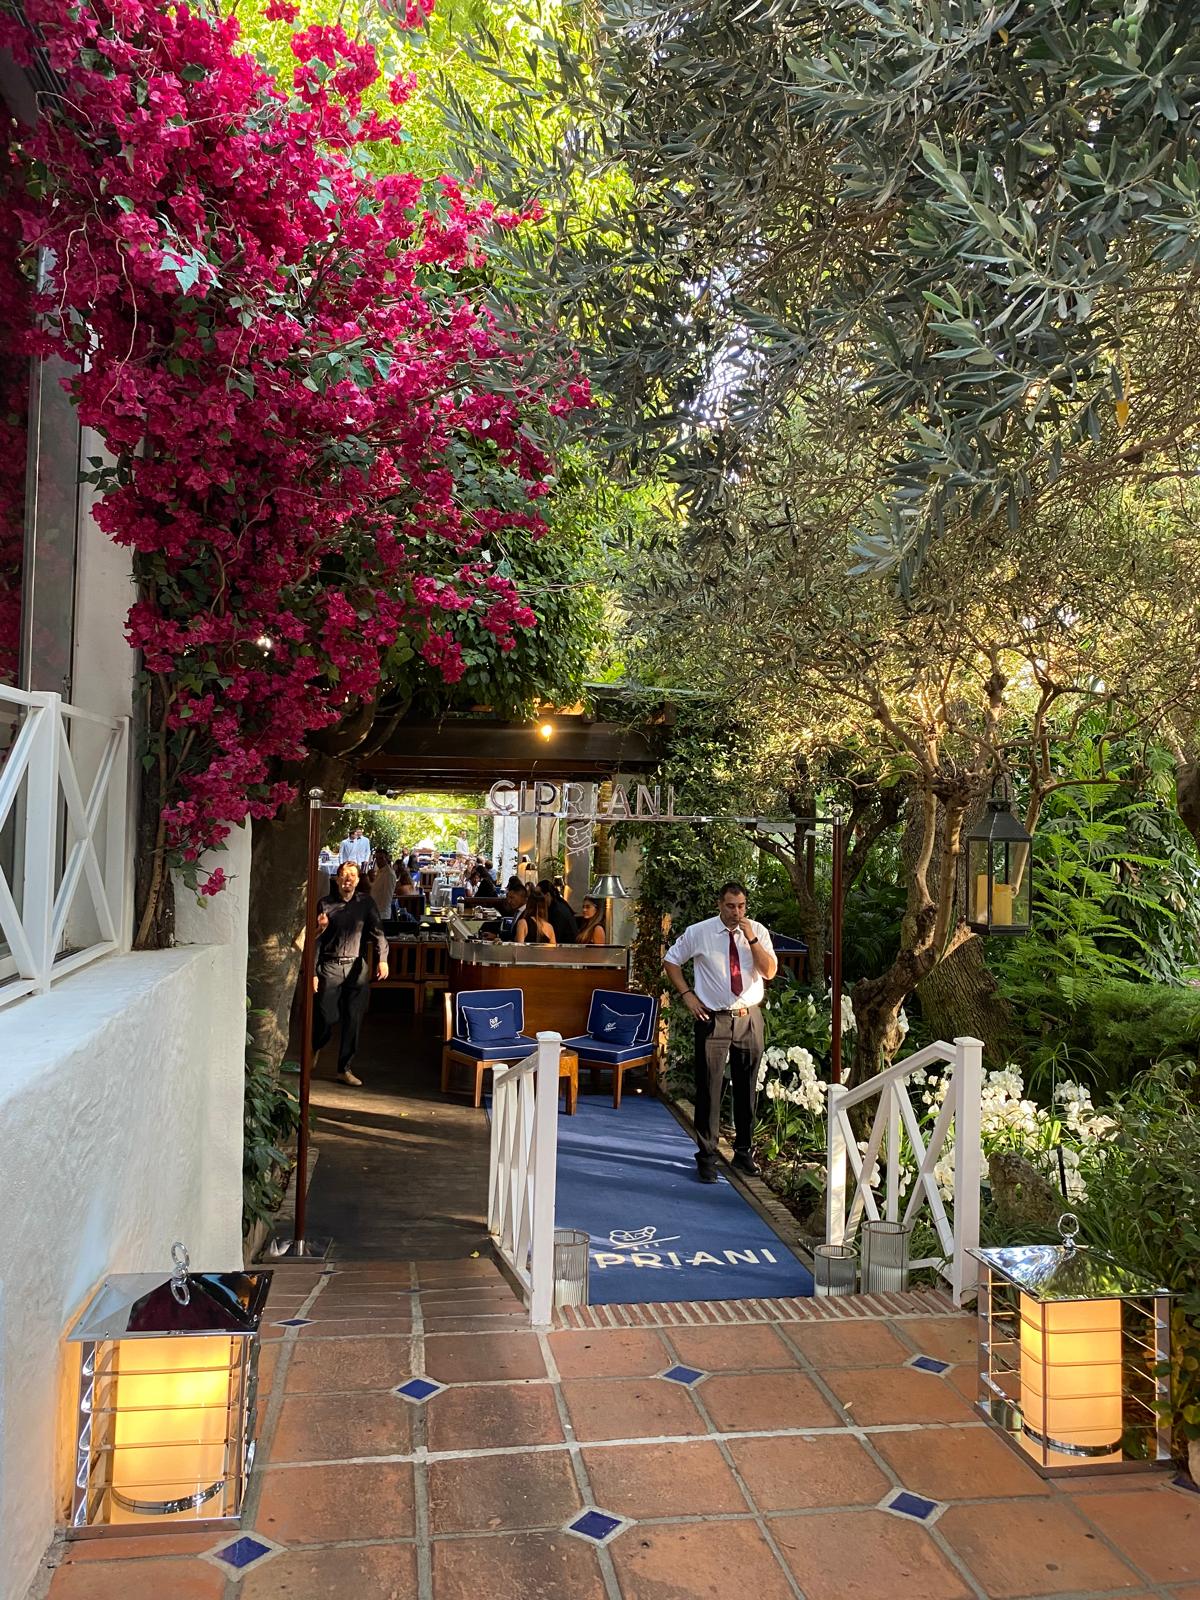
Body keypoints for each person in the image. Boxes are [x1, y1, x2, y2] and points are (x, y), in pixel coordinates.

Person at [663, 880, 778, 1184]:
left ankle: (743, 1152)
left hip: (749, 1017)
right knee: (709, 1089)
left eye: (741, 906)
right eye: (730, 906)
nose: (736, 912)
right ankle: (707, 1156)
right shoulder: (699, 932)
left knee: (746, 1087)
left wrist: (751, 937)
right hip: (713, 1018)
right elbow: (671, 961)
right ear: (719, 904)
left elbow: (769, 972)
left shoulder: (757, 931)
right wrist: (687, 994)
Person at [312, 862, 389, 1087]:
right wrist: (313, 971)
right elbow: (316, 940)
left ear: (357, 880)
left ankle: (343, 1069)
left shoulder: (365, 902)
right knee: (326, 1016)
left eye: (352, 876)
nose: (348, 879)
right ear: (337, 879)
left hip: (356, 966)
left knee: (353, 1020)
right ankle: (316, 1045)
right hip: (330, 966)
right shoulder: (325, 904)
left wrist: (382, 959)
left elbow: (378, 932)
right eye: (344, 875)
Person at [537, 878, 578, 943]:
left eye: (539, 895)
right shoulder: (558, 905)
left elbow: (554, 937)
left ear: (547, 895)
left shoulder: (558, 911)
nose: (537, 899)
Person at [369, 845, 397, 918]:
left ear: (386, 859)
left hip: (382, 914)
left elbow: (387, 898)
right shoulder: (379, 872)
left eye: (381, 858)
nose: (379, 861)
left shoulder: (389, 874)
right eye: (377, 858)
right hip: (375, 912)